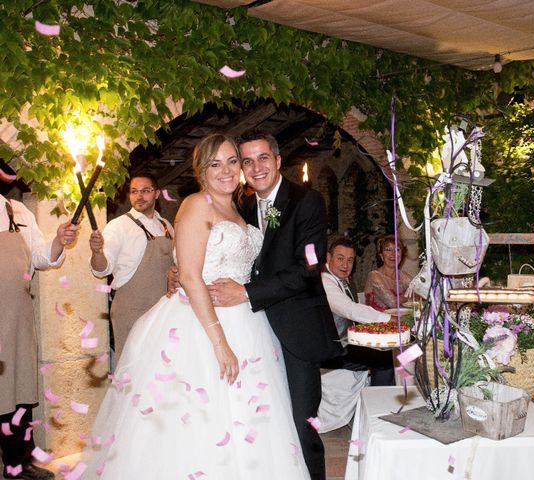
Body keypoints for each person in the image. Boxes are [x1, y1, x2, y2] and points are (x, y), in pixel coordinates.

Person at [81, 134, 309, 479]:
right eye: (215, 163)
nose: (227, 170)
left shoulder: (241, 207)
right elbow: (189, 275)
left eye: (233, 161)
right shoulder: (196, 204)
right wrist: (219, 343)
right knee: (199, 422)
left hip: (248, 323)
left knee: (252, 419)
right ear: (201, 170)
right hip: (201, 328)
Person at [210, 133, 341, 480]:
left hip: (295, 329)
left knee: (301, 423)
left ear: (279, 160)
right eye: (247, 161)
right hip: (250, 330)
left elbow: (308, 266)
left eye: (263, 158)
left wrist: (248, 293)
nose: (256, 167)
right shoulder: (241, 206)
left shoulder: (307, 201)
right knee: (261, 423)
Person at [1, 194, 77, 480]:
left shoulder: (16, 211)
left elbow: (42, 257)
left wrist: (59, 240)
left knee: (19, 388)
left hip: (18, 315)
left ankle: (19, 464)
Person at [89, 173, 174, 361]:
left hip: (164, 309)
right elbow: (102, 269)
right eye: (134, 192)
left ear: (157, 194)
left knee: (161, 368)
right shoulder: (119, 226)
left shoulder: (166, 225)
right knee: (131, 368)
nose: (139, 196)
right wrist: (97, 252)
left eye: (145, 191)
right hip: (131, 309)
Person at [321, 236, 396, 386]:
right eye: (340, 258)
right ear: (329, 257)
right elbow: (349, 309)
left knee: (388, 347)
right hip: (332, 350)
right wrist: (388, 320)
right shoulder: (325, 281)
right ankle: (380, 401)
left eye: (350, 260)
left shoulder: (343, 279)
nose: (345, 265)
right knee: (385, 359)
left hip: (346, 342)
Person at [364, 234, 412, 312]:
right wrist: (409, 293)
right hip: (376, 322)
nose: (393, 254)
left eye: (397, 250)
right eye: (388, 250)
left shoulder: (403, 276)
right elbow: (393, 303)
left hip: (399, 321)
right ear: (381, 256)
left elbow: (419, 291)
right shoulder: (374, 276)